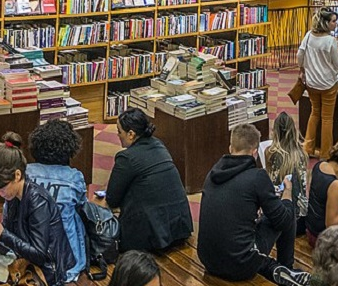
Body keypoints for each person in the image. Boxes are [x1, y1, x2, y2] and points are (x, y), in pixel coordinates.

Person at [0, 133, 74, 286]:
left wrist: (3, 235)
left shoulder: (38, 202)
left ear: (17, 175)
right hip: (23, 260)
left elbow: (39, 255)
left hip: (46, 271)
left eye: (1, 187)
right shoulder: (13, 198)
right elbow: (10, 247)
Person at [199, 124, 298, 284]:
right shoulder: (257, 177)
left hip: (208, 259)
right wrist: (287, 194)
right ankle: (287, 267)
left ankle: (272, 267)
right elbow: (283, 220)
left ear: (231, 147)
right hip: (240, 264)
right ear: (255, 152)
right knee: (287, 212)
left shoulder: (213, 173)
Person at [94, 109, 193, 253]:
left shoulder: (126, 158)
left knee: (97, 206)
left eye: (119, 131)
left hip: (150, 235)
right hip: (178, 227)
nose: (117, 135)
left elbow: (112, 200)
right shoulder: (159, 145)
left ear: (131, 134)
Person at [25, 120, 87, 284]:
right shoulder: (74, 177)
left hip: (27, 251)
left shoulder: (25, 172)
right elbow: (82, 206)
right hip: (65, 262)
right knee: (76, 216)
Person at [299, 7, 338, 159]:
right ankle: (325, 153)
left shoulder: (309, 36)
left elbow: (300, 54)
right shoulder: (330, 41)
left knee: (314, 113)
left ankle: (308, 148)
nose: (336, 24)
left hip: (311, 83)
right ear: (325, 23)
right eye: (333, 21)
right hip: (328, 84)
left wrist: (303, 70)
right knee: (327, 118)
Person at [265, 112, 309, 233]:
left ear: (275, 132)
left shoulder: (270, 152)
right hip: (300, 219)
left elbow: (269, 179)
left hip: (278, 218)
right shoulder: (302, 154)